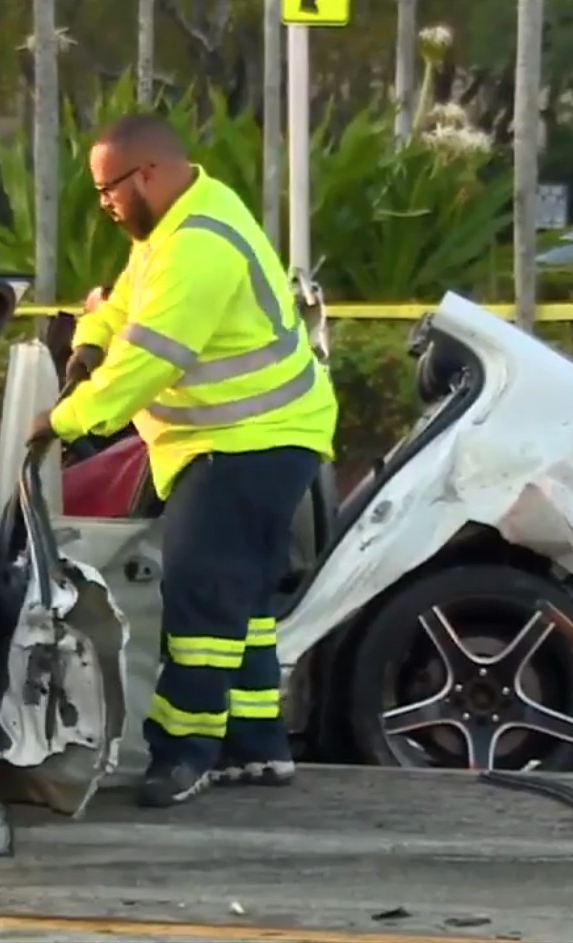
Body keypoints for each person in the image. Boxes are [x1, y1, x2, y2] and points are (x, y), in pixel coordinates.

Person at [27, 114, 338, 808]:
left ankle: (183, 754)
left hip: (251, 440)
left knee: (199, 597)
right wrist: (86, 341)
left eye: (109, 188)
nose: (104, 203)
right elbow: (119, 305)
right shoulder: (173, 227)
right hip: (242, 439)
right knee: (242, 599)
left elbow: (150, 360)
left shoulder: (198, 246)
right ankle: (257, 747)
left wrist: (62, 419)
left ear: (149, 174)